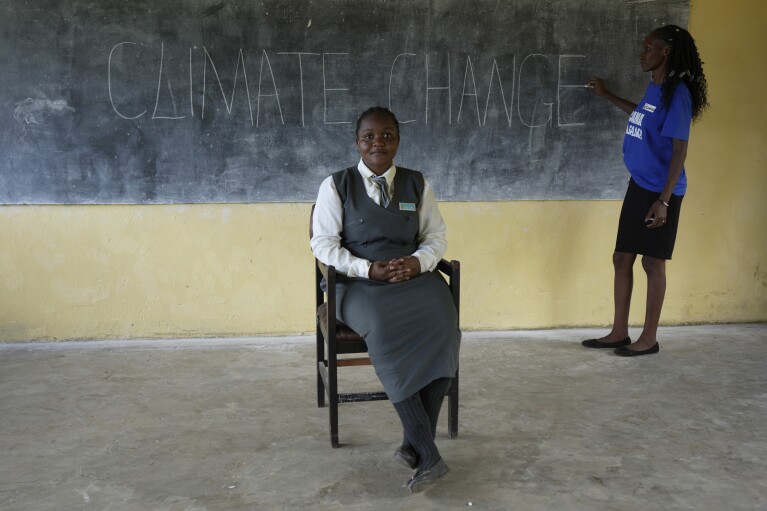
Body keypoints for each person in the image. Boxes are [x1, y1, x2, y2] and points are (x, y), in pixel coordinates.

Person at [311, 106, 460, 491]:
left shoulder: (417, 184)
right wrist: (366, 269)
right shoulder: (335, 185)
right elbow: (323, 245)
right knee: (382, 327)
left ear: (398, 139)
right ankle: (428, 454)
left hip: (412, 278)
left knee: (445, 322)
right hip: (358, 284)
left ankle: (414, 446)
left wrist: (417, 262)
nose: (378, 143)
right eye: (369, 136)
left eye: (387, 135)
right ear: (357, 142)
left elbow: (435, 238)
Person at [582, 25, 709, 356]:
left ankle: (649, 338)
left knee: (653, 264)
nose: (642, 53)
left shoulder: (677, 93)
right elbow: (640, 115)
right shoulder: (656, 88)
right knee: (622, 257)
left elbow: (680, 150)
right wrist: (607, 96)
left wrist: (664, 201)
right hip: (639, 186)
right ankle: (619, 332)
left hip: (661, 193)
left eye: (648, 47)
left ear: (665, 52)